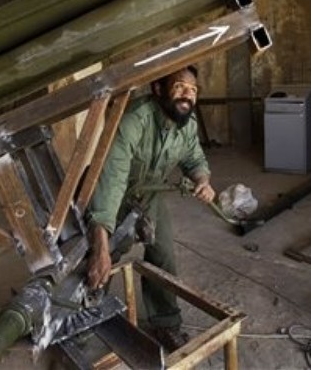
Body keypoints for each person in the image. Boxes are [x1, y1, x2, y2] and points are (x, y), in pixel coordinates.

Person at [86, 65, 216, 351]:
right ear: (158, 89)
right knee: (103, 255)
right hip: (118, 193)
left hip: (150, 194)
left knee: (163, 255)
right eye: (179, 87)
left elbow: (195, 158)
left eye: (193, 90)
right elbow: (112, 179)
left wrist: (202, 180)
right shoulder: (134, 120)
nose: (187, 95)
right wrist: (100, 244)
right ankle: (82, 315)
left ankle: (166, 324)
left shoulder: (187, 123)